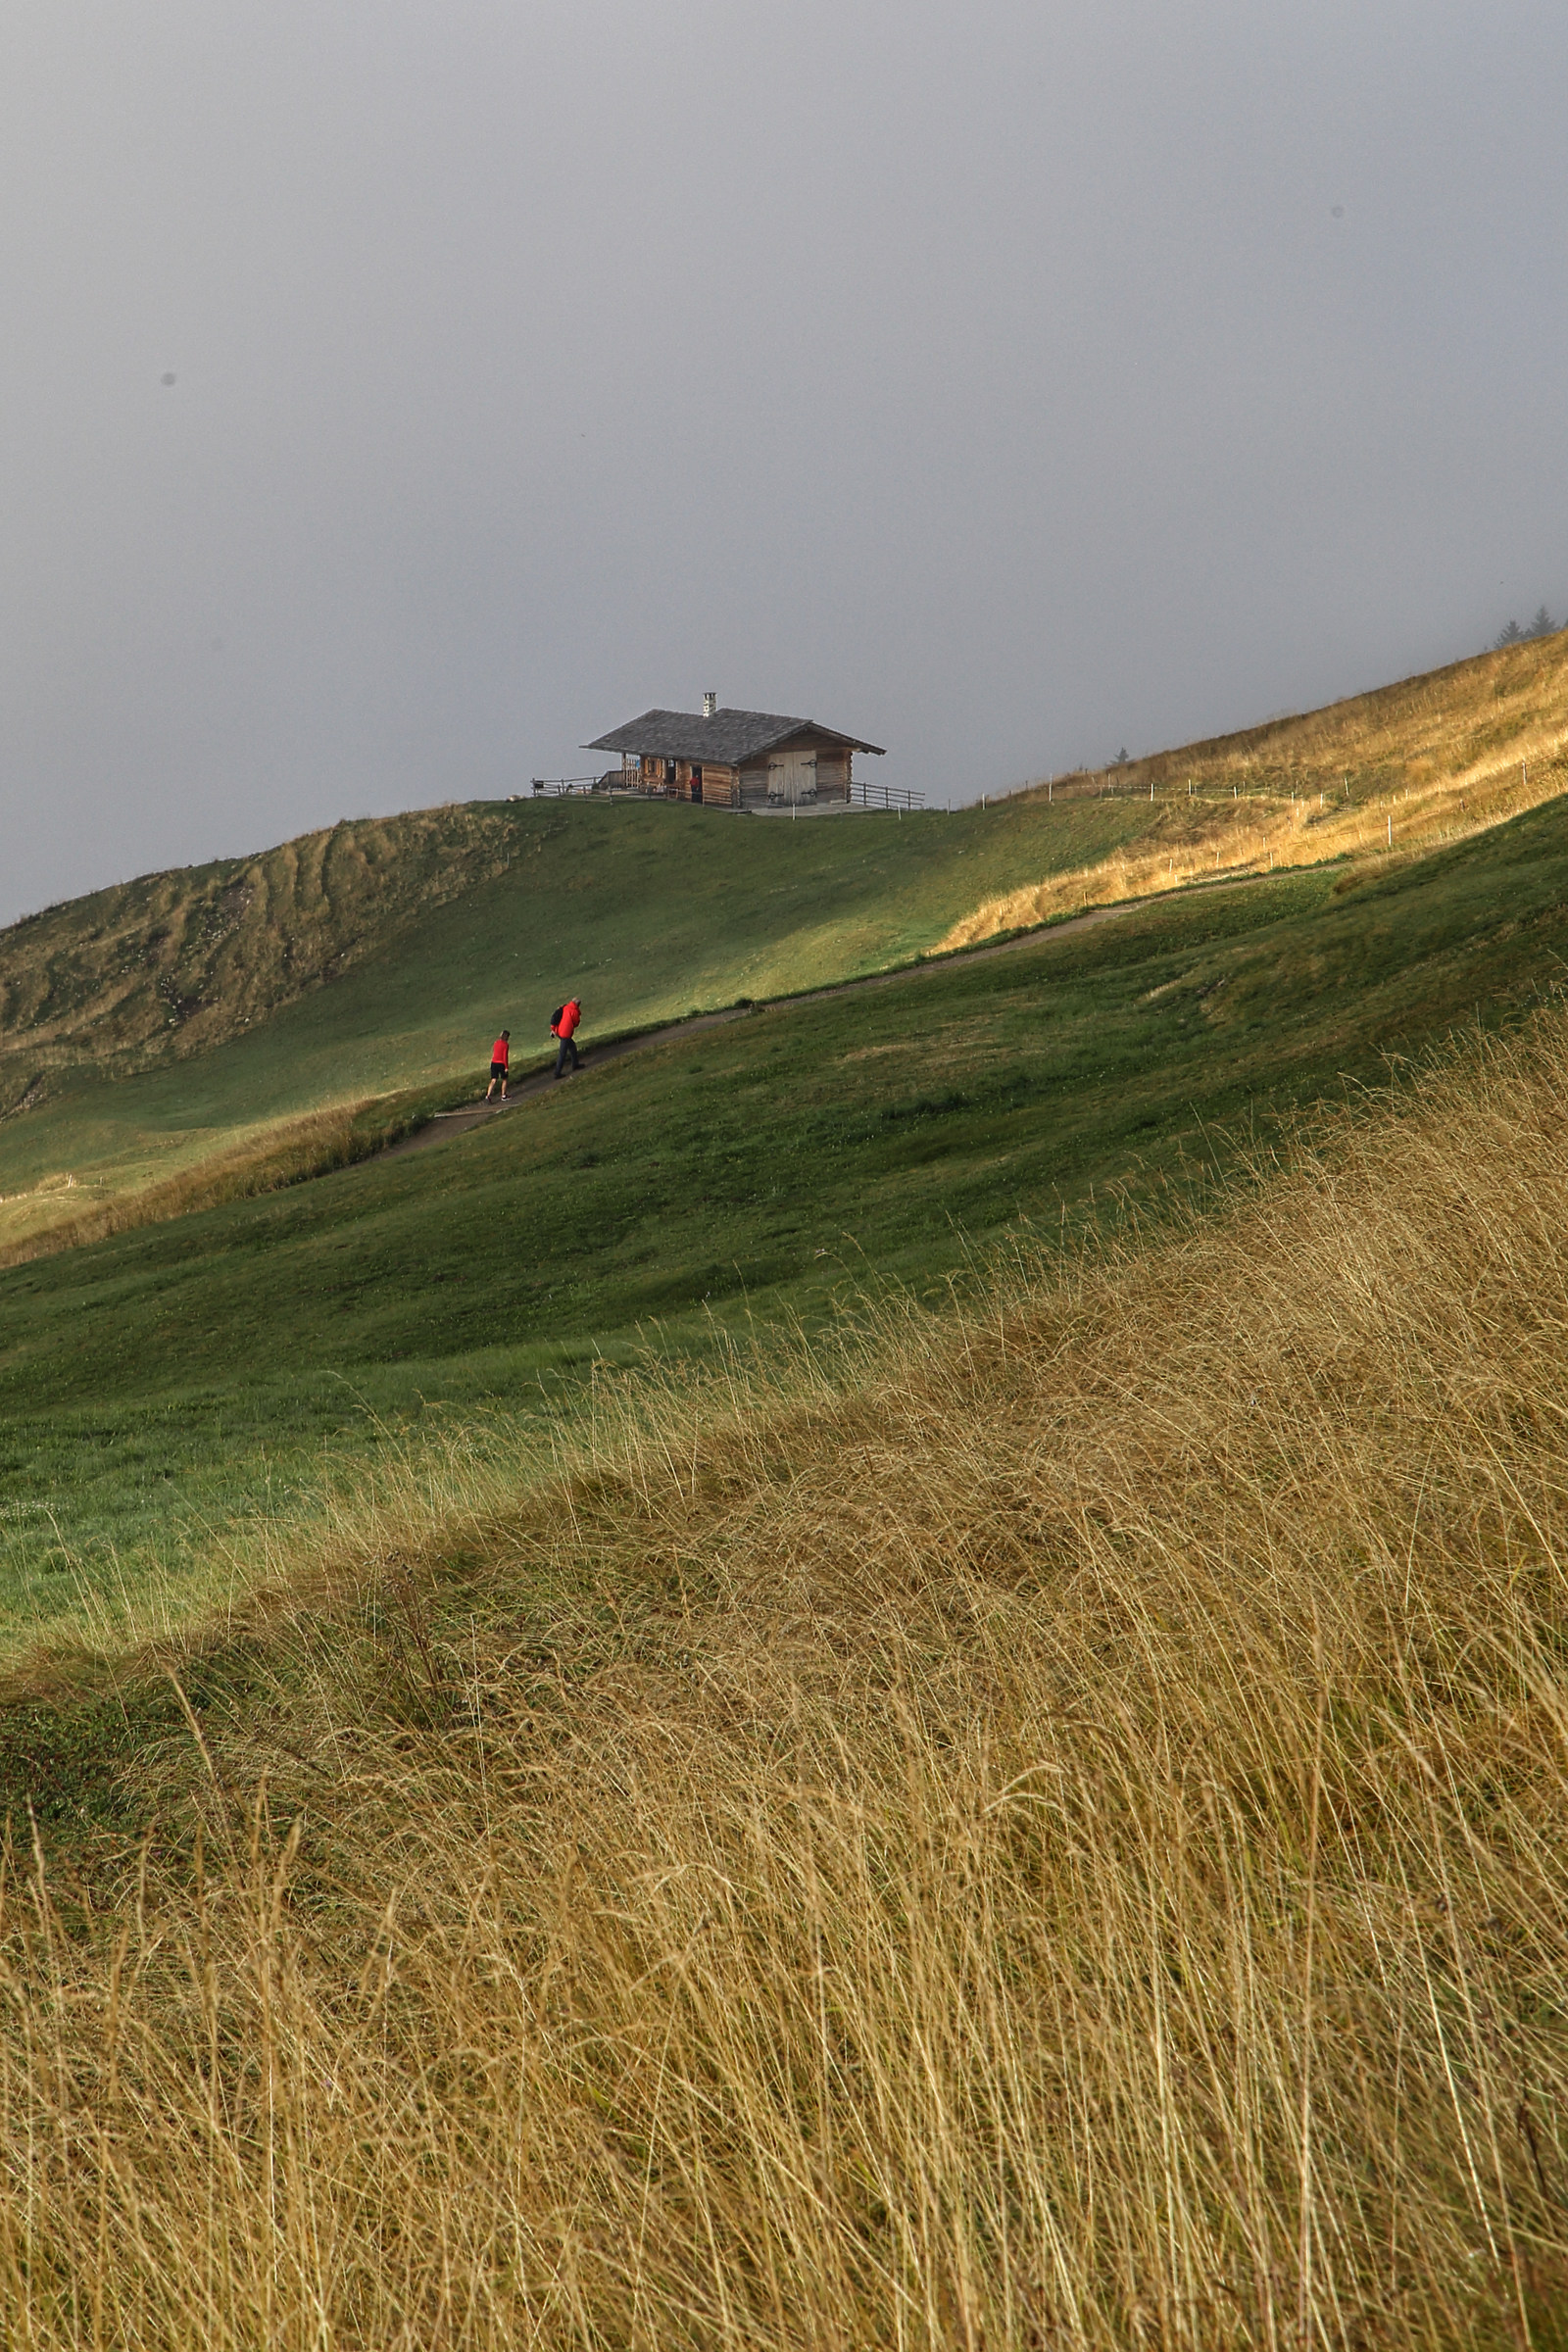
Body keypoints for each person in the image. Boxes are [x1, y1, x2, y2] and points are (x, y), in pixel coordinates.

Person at [551, 998, 582, 1078]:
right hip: (565, 1034)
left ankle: (575, 1064)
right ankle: (557, 1072)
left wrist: (553, 1029)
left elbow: (556, 1016)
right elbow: (576, 1023)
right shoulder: (574, 1012)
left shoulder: (565, 1007)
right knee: (562, 1053)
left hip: (559, 1031)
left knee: (572, 1046)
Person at [485, 1030, 511, 1100]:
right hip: (501, 1063)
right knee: (504, 1079)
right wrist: (506, 1067)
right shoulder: (505, 1045)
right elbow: (505, 1056)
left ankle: (488, 1095)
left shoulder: (496, 1043)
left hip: (493, 1062)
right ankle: (503, 1095)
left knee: (493, 1079)